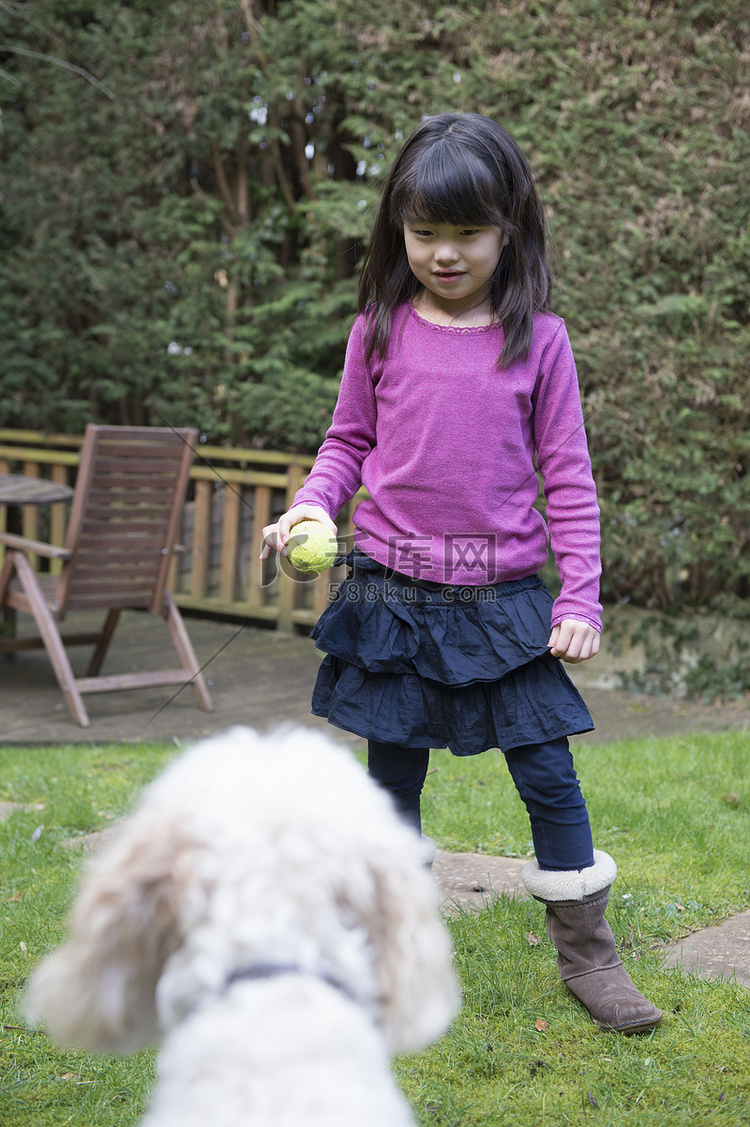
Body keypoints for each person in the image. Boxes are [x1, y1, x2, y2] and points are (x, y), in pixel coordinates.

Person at [261, 112, 660, 1035]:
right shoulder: (378, 330)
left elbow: (569, 478)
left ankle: (589, 956)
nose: (444, 253)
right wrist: (314, 505)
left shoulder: (539, 341)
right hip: (392, 594)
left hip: (506, 599)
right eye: (424, 232)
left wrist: (581, 596)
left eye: (467, 233)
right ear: (398, 228)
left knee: (550, 776)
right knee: (391, 781)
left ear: (508, 228)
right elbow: (346, 442)